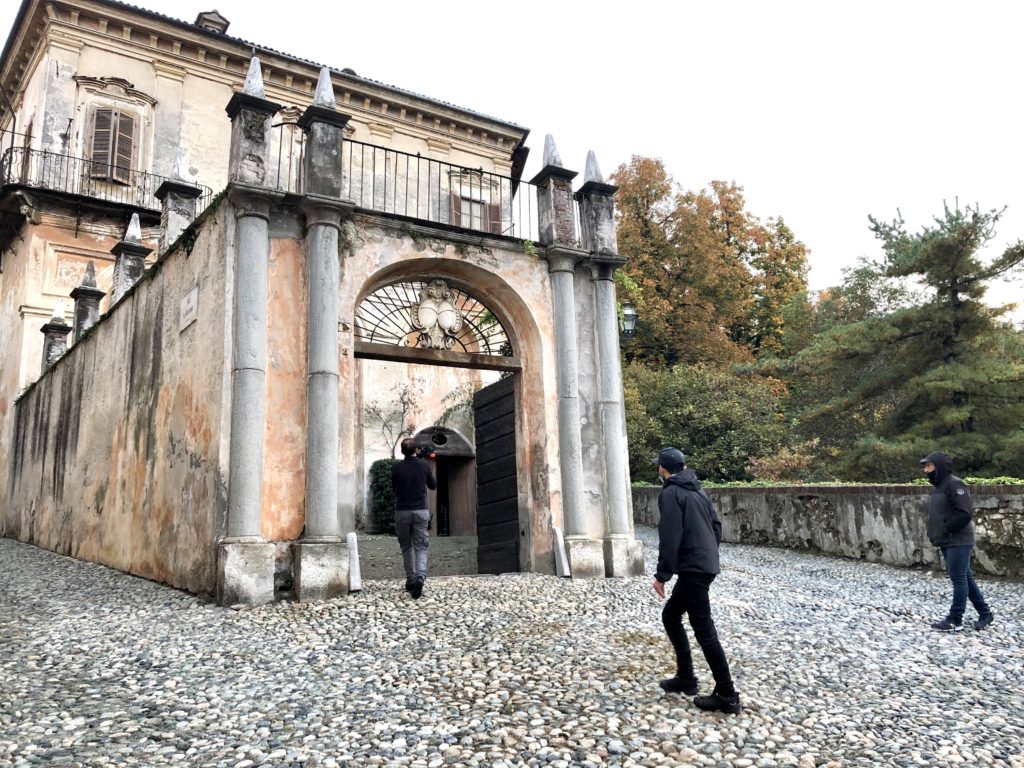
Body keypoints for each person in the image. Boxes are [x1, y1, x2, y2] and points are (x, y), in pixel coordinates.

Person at [651, 447, 740, 714]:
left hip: (694, 568)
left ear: (662, 470)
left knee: (705, 631)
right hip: (703, 565)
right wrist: (708, 552)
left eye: (659, 467)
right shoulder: (696, 490)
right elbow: (716, 526)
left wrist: (661, 575)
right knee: (671, 615)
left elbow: (670, 536)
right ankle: (686, 678)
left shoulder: (670, 493)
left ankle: (727, 693)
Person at [921, 450, 994, 632]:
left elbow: (965, 513)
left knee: (959, 579)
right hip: (947, 540)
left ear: (939, 467)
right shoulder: (941, 486)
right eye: (925, 467)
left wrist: (946, 528)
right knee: (965, 577)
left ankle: (955, 619)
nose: (925, 470)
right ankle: (985, 613)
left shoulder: (955, 484)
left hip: (958, 540)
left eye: (929, 466)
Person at [392, 437, 437, 599]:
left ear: (402, 451)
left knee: (406, 547)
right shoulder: (424, 465)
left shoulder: (396, 468)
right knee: (421, 546)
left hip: (402, 511)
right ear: (416, 449)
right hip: (420, 511)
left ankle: (410, 580)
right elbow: (433, 485)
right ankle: (420, 577)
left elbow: (395, 490)